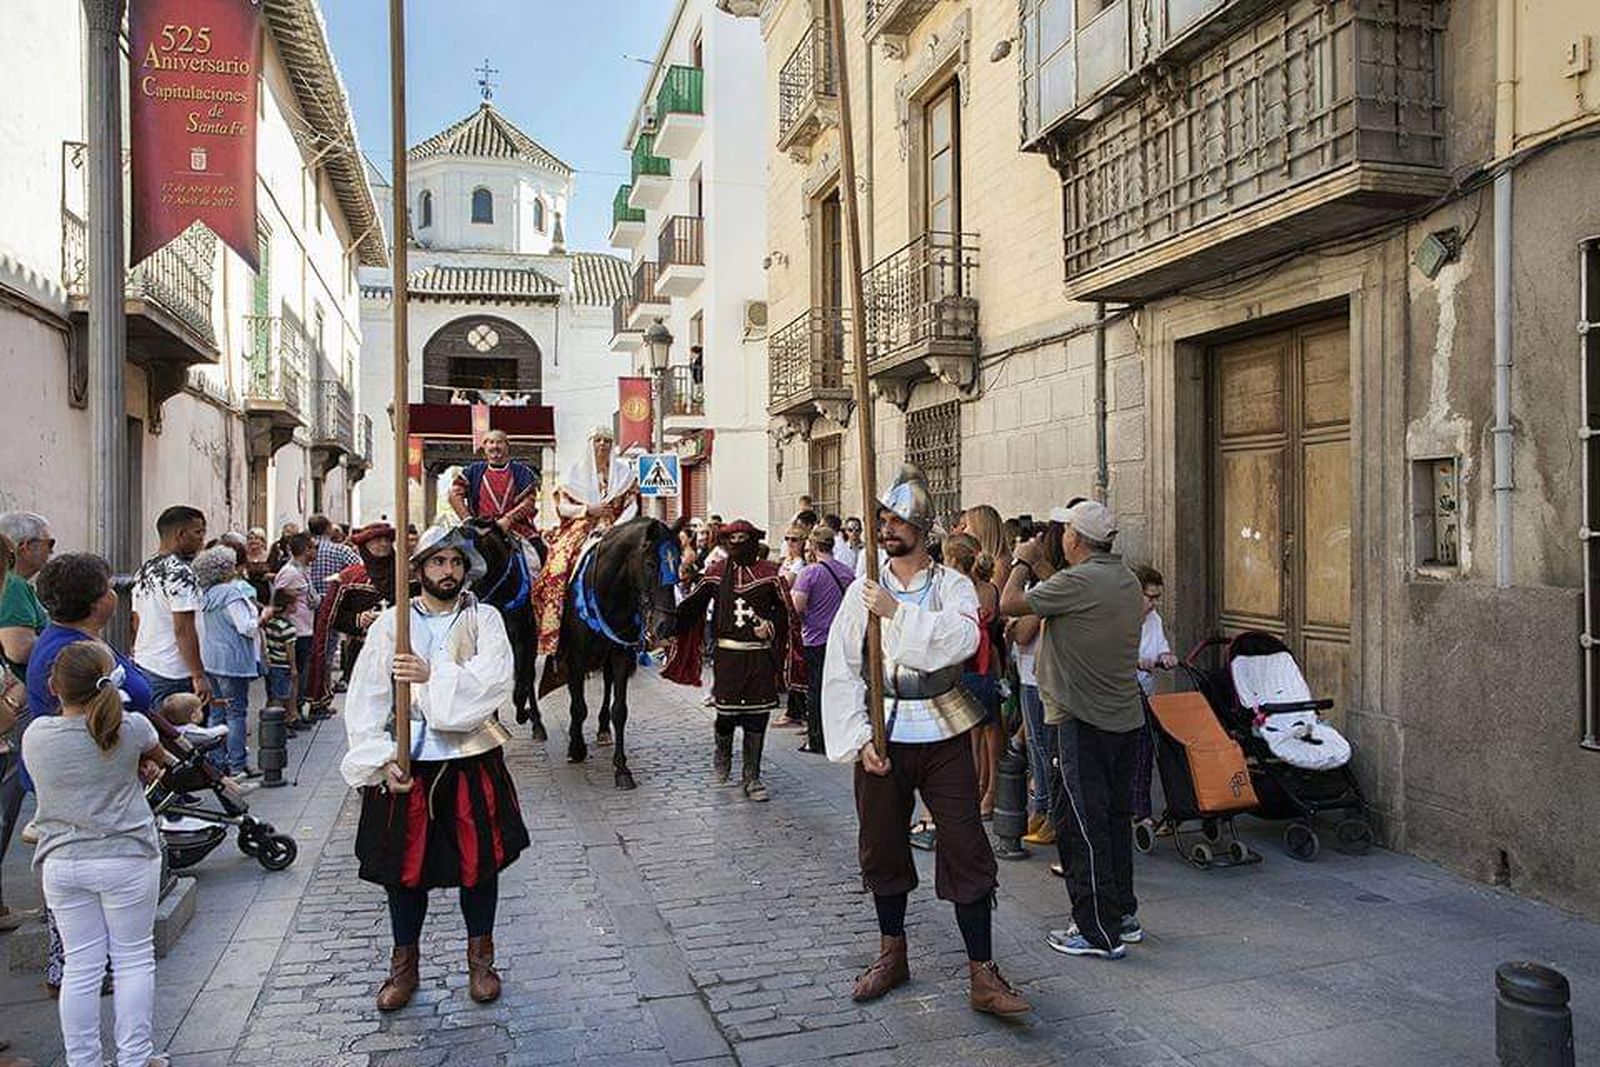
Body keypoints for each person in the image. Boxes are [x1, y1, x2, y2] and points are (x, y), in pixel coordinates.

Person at [820, 466, 1031, 1017]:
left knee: (965, 846)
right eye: (882, 519)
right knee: (882, 844)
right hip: (882, 731)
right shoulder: (863, 589)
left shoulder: (952, 585)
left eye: (896, 519)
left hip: (941, 727)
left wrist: (898, 615)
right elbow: (842, 665)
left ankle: (982, 974)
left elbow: (960, 641)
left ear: (921, 526)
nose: (887, 528)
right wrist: (859, 736)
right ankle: (892, 953)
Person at [341, 526, 529, 1012]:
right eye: (438, 562)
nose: (448, 571)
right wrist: (380, 758)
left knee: (478, 865)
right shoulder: (393, 623)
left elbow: (492, 684)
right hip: (409, 761)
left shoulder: (484, 619)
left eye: (456, 563)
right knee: (404, 872)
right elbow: (367, 693)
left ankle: (481, 961)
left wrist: (433, 675)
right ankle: (404, 967)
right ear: (420, 568)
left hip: (470, 757)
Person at [1000, 500, 1144, 960]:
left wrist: (1022, 561)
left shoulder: (1079, 581)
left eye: (1064, 530)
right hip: (1123, 720)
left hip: (1081, 722)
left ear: (1076, 539)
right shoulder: (1124, 579)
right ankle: (1122, 913)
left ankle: (1096, 930)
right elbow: (1065, 597)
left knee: (1081, 826)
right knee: (1114, 822)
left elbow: (1008, 603)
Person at [24, 641, 177, 1067]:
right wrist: (139, 767)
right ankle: (134, 1056)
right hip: (125, 854)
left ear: (54, 687)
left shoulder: (36, 736)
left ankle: (83, 1060)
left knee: (80, 966)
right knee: (132, 958)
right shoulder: (132, 728)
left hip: (62, 860)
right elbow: (159, 762)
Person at [664, 520, 795, 802]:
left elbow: (786, 614)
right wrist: (667, 627)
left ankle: (752, 776)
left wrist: (770, 626)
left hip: (759, 657)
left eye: (743, 538)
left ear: (752, 540)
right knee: (726, 715)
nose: (738, 542)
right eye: (732, 538)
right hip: (728, 657)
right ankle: (722, 751)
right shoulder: (715, 573)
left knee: (757, 717)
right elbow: (692, 606)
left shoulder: (770, 574)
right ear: (725, 541)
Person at [532, 427, 638, 658]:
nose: (603, 444)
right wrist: (588, 509)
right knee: (557, 565)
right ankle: (554, 628)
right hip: (582, 525)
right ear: (591, 443)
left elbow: (632, 505)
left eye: (608, 441)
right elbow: (562, 507)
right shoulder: (574, 473)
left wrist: (618, 525)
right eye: (598, 440)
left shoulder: (624, 474)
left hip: (617, 527)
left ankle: (643, 632)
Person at [305, 523, 399, 715]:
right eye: (376, 541)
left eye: (386, 540)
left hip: (401, 651)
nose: (382, 545)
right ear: (365, 545)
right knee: (366, 710)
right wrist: (357, 620)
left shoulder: (407, 574)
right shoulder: (350, 578)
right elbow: (330, 617)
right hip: (363, 652)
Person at [943, 535, 1005, 820]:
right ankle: (990, 792)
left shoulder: (955, 592)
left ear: (953, 561)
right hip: (988, 668)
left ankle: (976, 794)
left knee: (971, 738)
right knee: (990, 734)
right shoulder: (989, 589)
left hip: (966, 669)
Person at [131, 506, 211, 708]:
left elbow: (136, 618)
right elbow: (183, 627)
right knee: (182, 734)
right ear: (181, 534)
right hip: (175, 671)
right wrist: (198, 674)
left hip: (147, 663)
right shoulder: (180, 573)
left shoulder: (145, 569)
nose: (202, 539)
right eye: (198, 532)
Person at [194, 546, 262, 776]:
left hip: (210, 659)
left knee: (217, 713)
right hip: (231, 661)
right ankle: (237, 764)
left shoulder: (206, 594)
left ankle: (216, 762)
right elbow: (246, 627)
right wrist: (262, 618)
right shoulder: (231, 594)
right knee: (236, 713)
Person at [789, 526, 854, 755]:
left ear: (814, 547)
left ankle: (817, 739)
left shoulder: (809, 573)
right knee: (840, 688)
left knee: (816, 690)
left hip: (815, 639)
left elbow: (796, 607)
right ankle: (841, 734)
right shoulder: (846, 571)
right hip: (841, 639)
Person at [1131, 564, 1177, 834]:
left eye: (1156, 598)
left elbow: (1162, 650)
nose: (1153, 604)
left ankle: (1142, 811)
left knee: (1144, 754)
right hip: (1119, 696)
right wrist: (1134, 661)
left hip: (1144, 694)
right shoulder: (1117, 617)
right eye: (1149, 597)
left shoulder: (1154, 620)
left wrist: (1166, 658)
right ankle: (1132, 809)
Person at [449, 430, 540, 541]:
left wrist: (509, 519)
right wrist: (467, 519)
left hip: (514, 528)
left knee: (540, 549)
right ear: (485, 447)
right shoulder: (473, 471)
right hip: (480, 528)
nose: (495, 446)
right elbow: (454, 495)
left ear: (507, 447)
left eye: (499, 442)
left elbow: (529, 502)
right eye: (491, 442)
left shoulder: (522, 472)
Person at [0, 512, 54, 681]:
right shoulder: (13, 585)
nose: (52, 551)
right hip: (29, 698)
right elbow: (19, 649)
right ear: (26, 546)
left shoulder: (14, 583)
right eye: (49, 543)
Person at [271, 533, 317, 731]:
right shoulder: (290, 572)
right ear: (306, 549)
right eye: (313, 547)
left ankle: (295, 711)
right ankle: (288, 715)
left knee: (300, 674)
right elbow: (279, 597)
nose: (316, 551)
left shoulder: (302, 570)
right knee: (293, 673)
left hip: (304, 627)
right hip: (294, 630)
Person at [262, 590, 300, 712]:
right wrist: (293, 667)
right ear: (288, 607)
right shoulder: (288, 627)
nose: (297, 606)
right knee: (281, 696)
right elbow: (290, 650)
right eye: (295, 604)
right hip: (283, 665)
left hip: (271, 664)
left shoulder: (270, 622)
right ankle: (277, 723)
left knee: (272, 695)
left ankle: (268, 720)